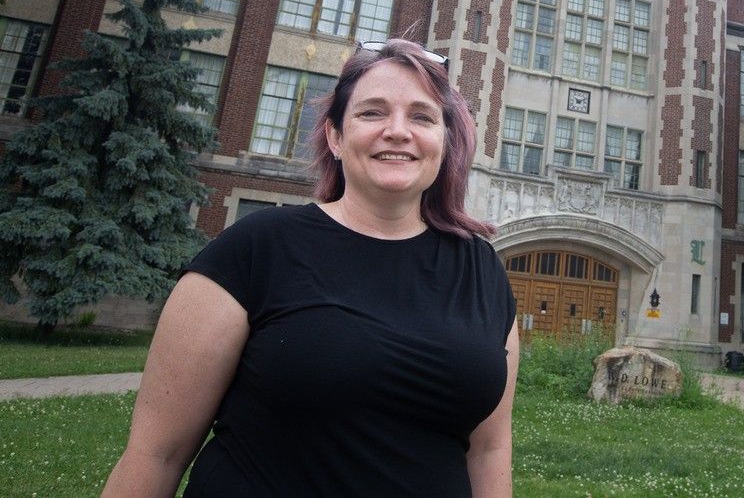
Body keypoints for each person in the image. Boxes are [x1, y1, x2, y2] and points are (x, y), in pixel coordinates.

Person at [103, 39, 519, 497]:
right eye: (372, 112)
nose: (398, 131)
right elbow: (155, 455)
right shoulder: (256, 247)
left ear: (444, 143)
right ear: (336, 137)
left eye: (422, 116)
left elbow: (489, 450)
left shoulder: (483, 273)